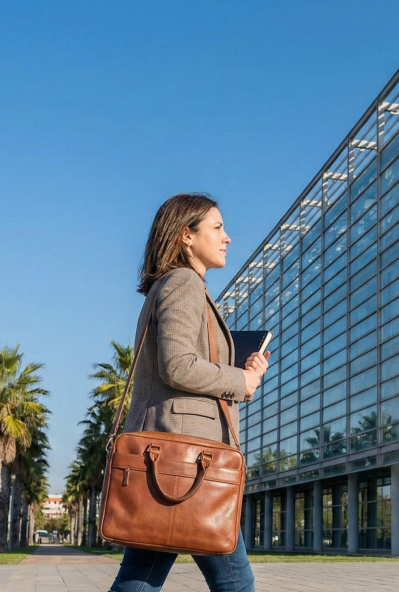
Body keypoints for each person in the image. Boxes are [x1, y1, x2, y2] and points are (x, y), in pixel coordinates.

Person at [108, 193, 269, 592]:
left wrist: (241, 374)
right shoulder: (184, 282)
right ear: (186, 235)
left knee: (141, 577)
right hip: (188, 461)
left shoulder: (172, 285)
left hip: (170, 458)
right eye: (217, 227)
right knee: (236, 582)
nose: (227, 237)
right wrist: (240, 381)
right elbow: (177, 364)